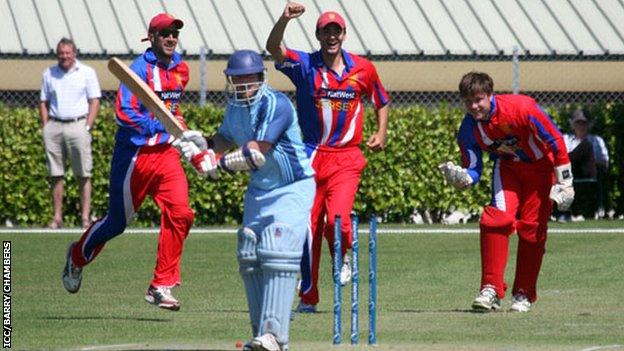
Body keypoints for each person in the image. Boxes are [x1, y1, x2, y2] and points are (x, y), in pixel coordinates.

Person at [178, 49, 315, 351]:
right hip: (260, 190)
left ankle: (276, 337)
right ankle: (260, 337)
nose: (243, 83)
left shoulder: (275, 104)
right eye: (237, 78)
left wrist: (217, 163)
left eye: (249, 77)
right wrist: (206, 145)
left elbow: (254, 153)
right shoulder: (235, 107)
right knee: (251, 252)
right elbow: (226, 138)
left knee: (276, 249)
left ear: (260, 76)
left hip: (292, 187)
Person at [62, 13, 194, 311]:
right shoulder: (138, 69)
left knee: (181, 213)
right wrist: (160, 125)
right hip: (135, 156)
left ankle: (161, 284)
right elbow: (124, 113)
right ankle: (77, 256)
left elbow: (172, 111)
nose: (171, 37)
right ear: (153, 37)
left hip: (166, 155)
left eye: (174, 32)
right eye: (164, 33)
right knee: (117, 223)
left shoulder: (182, 70)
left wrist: (185, 134)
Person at [265, 2, 390, 313]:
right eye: (326, 31)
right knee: (307, 228)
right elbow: (273, 48)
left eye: (336, 31)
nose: (331, 36)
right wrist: (284, 19)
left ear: (344, 34)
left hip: (346, 157)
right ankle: (308, 296)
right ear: (318, 35)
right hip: (310, 154)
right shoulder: (306, 65)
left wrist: (382, 132)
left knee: (338, 219)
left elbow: (382, 101)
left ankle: (343, 254)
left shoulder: (363, 68)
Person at [439, 71, 574, 313]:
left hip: (541, 169)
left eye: (478, 99)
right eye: (468, 101)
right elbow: (473, 169)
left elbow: (554, 139)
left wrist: (565, 181)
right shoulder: (468, 129)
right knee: (495, 219)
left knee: (533, 231)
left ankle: (523, 293)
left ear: (490, 95)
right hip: (508, 169)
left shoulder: (521, 107)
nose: (474, 106)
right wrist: (461, 178)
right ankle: (490, 289)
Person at [39, 37, 101, 229]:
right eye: (61, 53)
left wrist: (87, 126)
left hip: (78, 125)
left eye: (67, 53)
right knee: (55, 174)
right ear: (57, 54)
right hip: (54, 127)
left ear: (74, 53)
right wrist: (46, 125)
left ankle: (85, 218)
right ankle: (57, 218)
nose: (64, 56)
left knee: (83, 173)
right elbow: (43, 101)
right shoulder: (49, 73)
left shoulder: (87, 73)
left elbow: (95, 101)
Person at [562, 109, 609, 220]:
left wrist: (589, 159)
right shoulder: (566, 139)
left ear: (588, 125)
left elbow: (605, 162)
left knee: (586, 146)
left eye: (584, 123)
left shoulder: (597, 140)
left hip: (590, 172)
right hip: (570, 172)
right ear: (573, 125)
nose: (581, 126)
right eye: (578, 123)